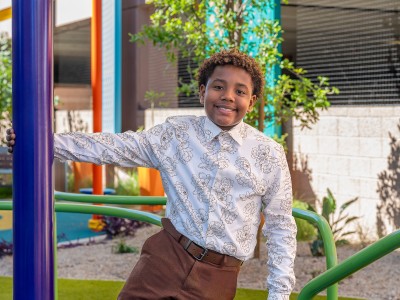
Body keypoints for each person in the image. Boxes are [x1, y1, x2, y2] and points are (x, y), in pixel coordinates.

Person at [7, 49, 296, 300]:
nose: (228, 97)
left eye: (240, 91)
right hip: (165, 258)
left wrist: (279, 293)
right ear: (202, 92)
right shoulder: (175, 135)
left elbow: (281, 226)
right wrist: (37, 140)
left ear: (253, 100)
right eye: (218, 87)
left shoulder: (268, 154)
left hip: (219, 276)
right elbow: (113, 148)